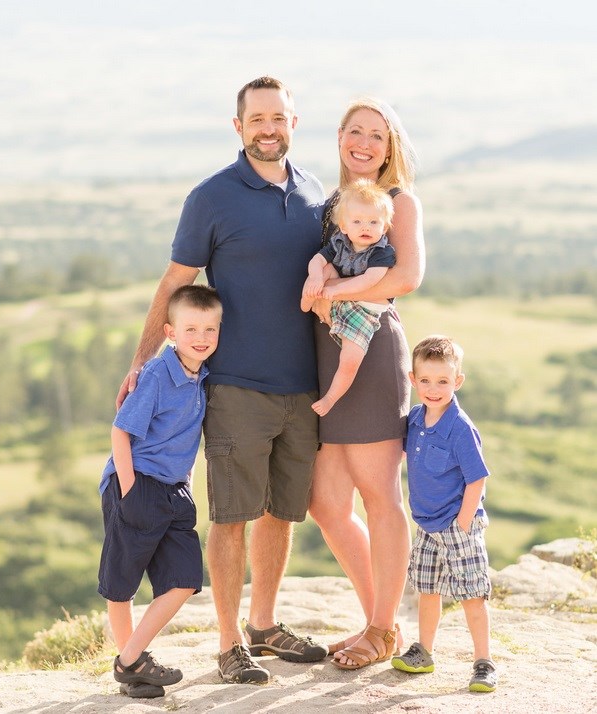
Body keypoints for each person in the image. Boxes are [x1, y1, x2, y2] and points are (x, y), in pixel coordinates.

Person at [116, 76, 328, 685]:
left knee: (281, 513)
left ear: (293, 123)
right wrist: (139, 363)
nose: (269, 128)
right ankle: (230, 642)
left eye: (279, 118)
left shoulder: (316, 193)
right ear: (238, 127)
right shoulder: (211, 197)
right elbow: (175, 284)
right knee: (232, 515)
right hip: (235, 384)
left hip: (303, 389)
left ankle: (264, 625)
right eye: (257, 119)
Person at [308, 97, 425, 670]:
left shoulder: (398, 202)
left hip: (372, 350)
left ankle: (380, 629)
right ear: (338, 138)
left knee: (379, 493)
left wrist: (329, 294)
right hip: (326, 357)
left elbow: (406, 275)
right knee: (326, 503)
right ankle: (381, 621)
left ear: (390, 147)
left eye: (376, 135)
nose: (363, 142)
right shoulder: (334, 205)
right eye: (354, 131)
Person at [99, 285, 223, 699]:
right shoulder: (155, 374)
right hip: (137, 484)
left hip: (175, 491)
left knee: (185, 579)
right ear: (170, 332)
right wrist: (132, 492)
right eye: (191, 329)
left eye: (210, 329)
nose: (202, 337)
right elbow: (120, 430)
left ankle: (130, 658)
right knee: (122, 583)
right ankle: (134, 669)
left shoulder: (203, 374)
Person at [392, 335, 497, 693]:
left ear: (458, 382)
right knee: (427, 589)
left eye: (443, 381)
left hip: (457, 524)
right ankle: (424, 650)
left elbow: (477, 478)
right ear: (412, 379)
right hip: (426, 525)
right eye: (425, 380)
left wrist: (464, 523)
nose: (433, 389)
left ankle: (483, 662)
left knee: (471, 593)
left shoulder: (460, 427)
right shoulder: (416, 419)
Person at [301, 178, 395, 416]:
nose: (366, 228)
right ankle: (308, 299)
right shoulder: (340, 242)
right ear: (344, 226)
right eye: (358, 222)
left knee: (350, 359)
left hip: (365, 311)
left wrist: (334, 291)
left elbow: (369, 281)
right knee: (324, 269)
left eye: (374, 222)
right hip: (339, 300)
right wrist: (315, 278)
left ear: (384, 227)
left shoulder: (382, 252)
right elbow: (317, 259)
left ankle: (331, 398)